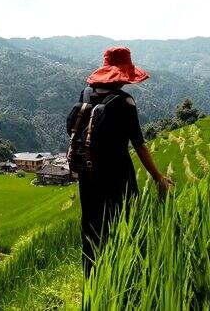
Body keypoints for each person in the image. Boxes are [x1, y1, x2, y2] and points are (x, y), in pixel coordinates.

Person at [67, 47, 173, 278]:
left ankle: (92, 279)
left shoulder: (85, 94)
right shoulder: (125, 102)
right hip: (117, 174)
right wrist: (158, 178)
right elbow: (139, 144)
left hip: (87, 172)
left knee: (91, 227)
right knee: (127, 222)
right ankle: (128, 274)